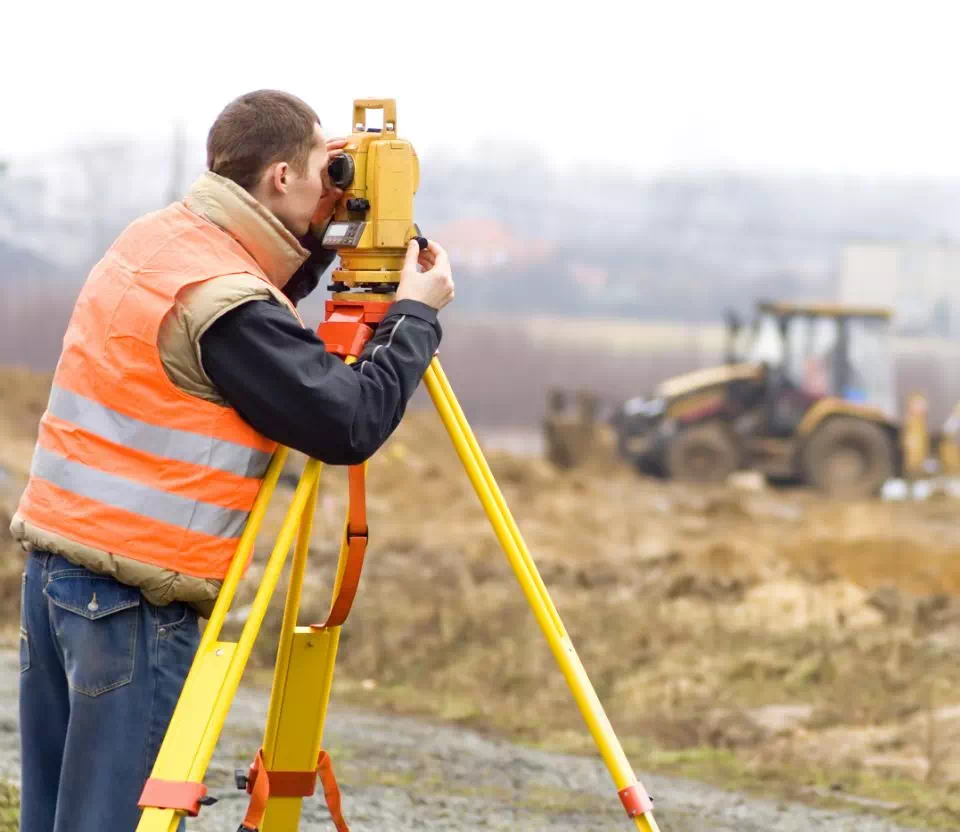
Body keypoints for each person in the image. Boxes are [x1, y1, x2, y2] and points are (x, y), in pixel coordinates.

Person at [11, 89, 454, 831]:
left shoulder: (158, 242)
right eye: (326, 167)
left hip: (58, 579)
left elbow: (253, 310)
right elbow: (349, 422)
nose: (334, 183)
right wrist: (414, 315)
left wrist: (323, 242)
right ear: (282, 176)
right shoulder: (228, 303)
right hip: (132, 601)